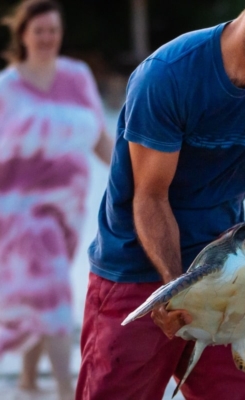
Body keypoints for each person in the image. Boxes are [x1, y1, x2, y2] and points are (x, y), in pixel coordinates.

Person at [75, 0, 245, 399]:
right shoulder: (168, 75)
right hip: (137, 271)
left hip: (233, 270)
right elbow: (149, 198)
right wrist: (176, 290)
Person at [0, 1, 113, 399]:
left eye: (54, 30)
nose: (48, 37)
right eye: (40, 30)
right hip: (19, 213)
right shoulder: (6, 87)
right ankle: (69, 390)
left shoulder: (77, 76)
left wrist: (133, 178)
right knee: (51, 293)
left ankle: (28, 381)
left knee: (41, 292)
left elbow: (98, 137)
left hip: (68, 209)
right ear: (23, 34)